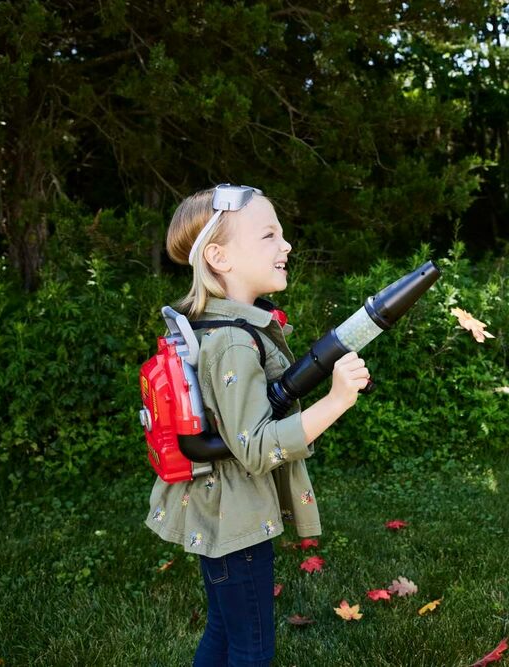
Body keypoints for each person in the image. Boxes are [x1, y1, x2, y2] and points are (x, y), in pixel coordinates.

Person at [145, 185, 370, 667]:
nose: (286, 246)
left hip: (223, 512)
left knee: (225, 631)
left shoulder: (220, 324)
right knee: (252, 649)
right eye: (269, 235)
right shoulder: (232, 342)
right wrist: (336, 400)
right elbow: (255, 447)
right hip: (237, 522)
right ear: (218, 256)